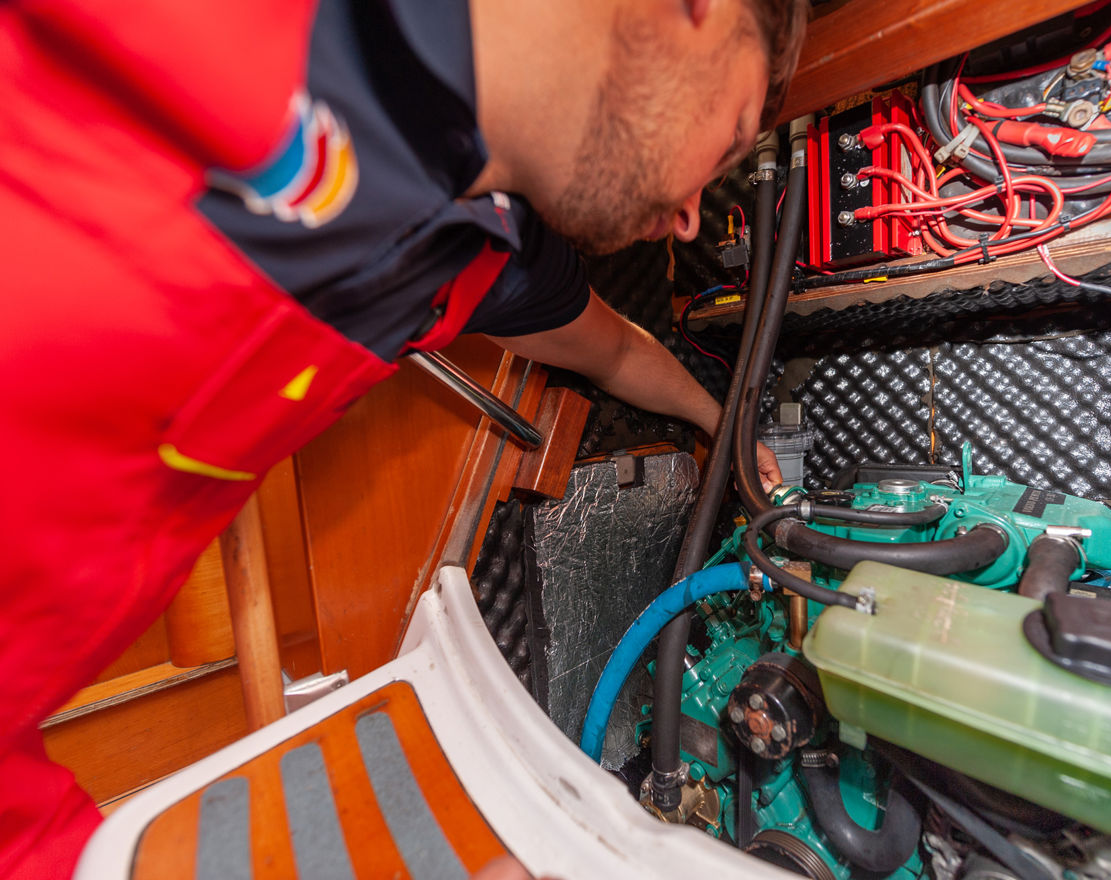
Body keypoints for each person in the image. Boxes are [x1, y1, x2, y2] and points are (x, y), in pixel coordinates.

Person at [0, 0, 806, 876]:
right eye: (728, 137)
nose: (695, 215)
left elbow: (611, 350)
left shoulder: (487, 255)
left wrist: (716, 418)